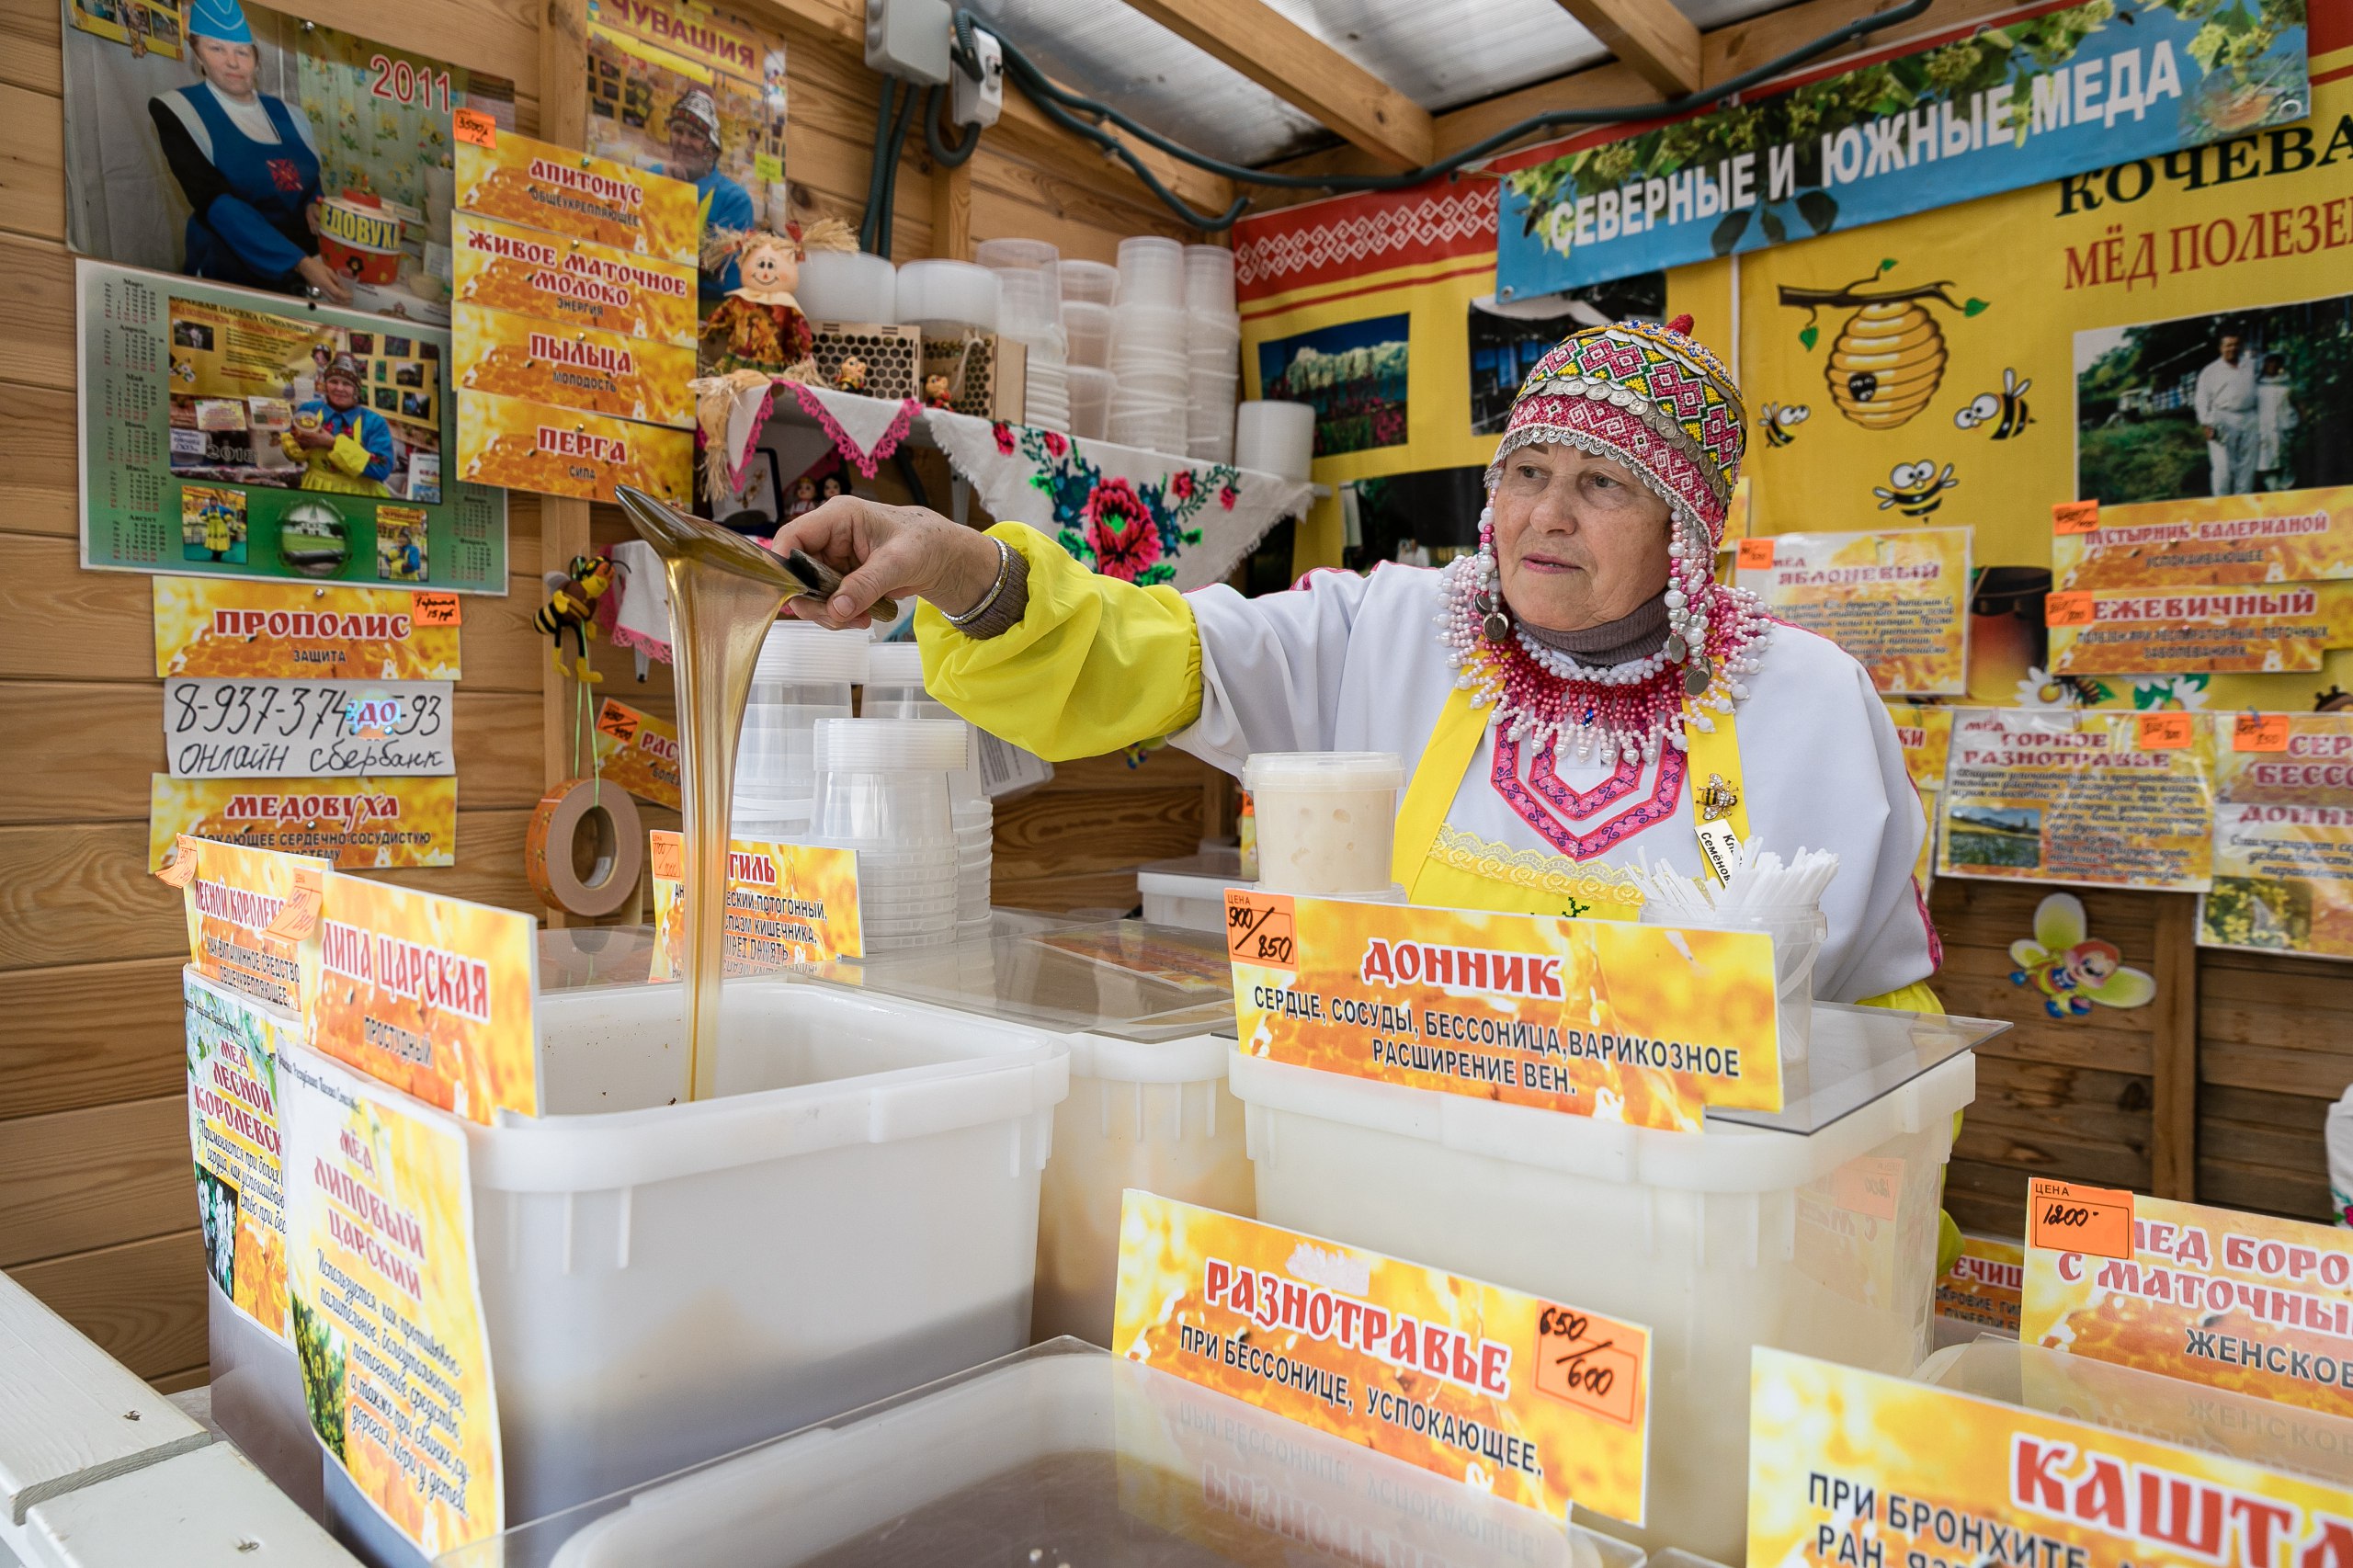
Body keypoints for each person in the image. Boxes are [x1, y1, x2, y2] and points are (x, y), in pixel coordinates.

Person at [772, 314, 1940, 1009]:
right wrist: (964, 568)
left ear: (1685, 526)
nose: (1546, 516)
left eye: (1601, 485)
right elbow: (1149, 652)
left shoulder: (1810, 702)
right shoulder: (1383, 630)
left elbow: (1890, 1029)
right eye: (1525, 474)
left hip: (1678, 1222)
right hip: (1404, 1179)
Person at [146, 0, 349, 304]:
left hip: (303, 273)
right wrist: (300, 262)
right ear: (197, 52)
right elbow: (217, 203)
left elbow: (308, 180)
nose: (232, 62)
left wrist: (314, 203)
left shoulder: (289, 114)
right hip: (228, 272)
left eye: (242, 51)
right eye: (217, 49)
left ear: (256, 58)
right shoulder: (179, 110)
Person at [667, 88, 756, 311]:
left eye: (695, 136)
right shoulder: (653, 177)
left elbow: (727, 280)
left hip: (700, 324)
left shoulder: (734, 200)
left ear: (713, 149)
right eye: (678, 131)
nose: (684, 141)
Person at [279, 353, 393, 495]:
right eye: (334, 381)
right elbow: (290, 453)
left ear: (356, 390)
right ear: (326, 385)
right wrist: (301, 442)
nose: (339, 388)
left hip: (360, 497)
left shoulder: (374, 422)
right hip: (316, 490)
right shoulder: (309, 411)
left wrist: (332, 443)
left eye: (347, 384)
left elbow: (382, 469)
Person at [2195, 329, 2259, 497]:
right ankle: (2222, 503)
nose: (2233, 348)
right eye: (2228, 345)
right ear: (2220, 348)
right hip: (2222, 418)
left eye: (2236, 345)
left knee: (2247, 465)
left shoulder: (2251, 365)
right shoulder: (2210, 371)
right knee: (2223, 467)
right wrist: (2206, 423)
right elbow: (2201, 400)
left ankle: (2242, 501)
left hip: (2249, 417)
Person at [2257, 351, 2299, 492]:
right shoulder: (2258, 386)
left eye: (2276, 362)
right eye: (2269, 362)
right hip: (2265, 431)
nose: (2272, 365)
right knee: (2268, 465)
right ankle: (2272, 492)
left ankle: (2287, 490)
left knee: (2287, 462)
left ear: (2280, 364)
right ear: (2263, 364)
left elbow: (2299, 403)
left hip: (2285, 429)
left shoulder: (2288, 384)